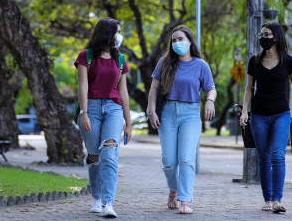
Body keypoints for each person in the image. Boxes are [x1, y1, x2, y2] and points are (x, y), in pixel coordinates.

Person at [239, 21, 292, 213]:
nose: (262, 38)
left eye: (267, 35)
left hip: (281, 114)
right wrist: (245, 111)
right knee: (264, 158)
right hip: (259, 116)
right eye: (261, 35)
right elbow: (249, 89)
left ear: (277, 37)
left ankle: (277, 200)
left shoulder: (289, 61)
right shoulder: (254, 61)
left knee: (277, 156)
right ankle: (268, 200)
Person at [147, 25, 217, 214]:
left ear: (190, 42)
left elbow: (211, 88)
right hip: (167, 113)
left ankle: (185, 200)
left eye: (181, 39)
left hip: (190, 114)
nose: (177, 43)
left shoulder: (201, 65)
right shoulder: (164, 63)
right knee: (169, 161)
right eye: (174, 40)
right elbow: (154, 89)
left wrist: (209, 101)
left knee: (186, 159)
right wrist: (151, 111)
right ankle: (174, 189)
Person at [74, 17, 132, 218]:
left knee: (109, 154)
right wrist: (84, 113)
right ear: (107, 33)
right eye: (117, 31)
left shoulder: (121, 60)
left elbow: (123, 92)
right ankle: (96, 198)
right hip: (91, 107)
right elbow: (83, 86)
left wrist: (129, 122)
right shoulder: (86, 56)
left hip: (114, 109)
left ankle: (108, 203)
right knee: (94, 156)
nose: (119, 36)